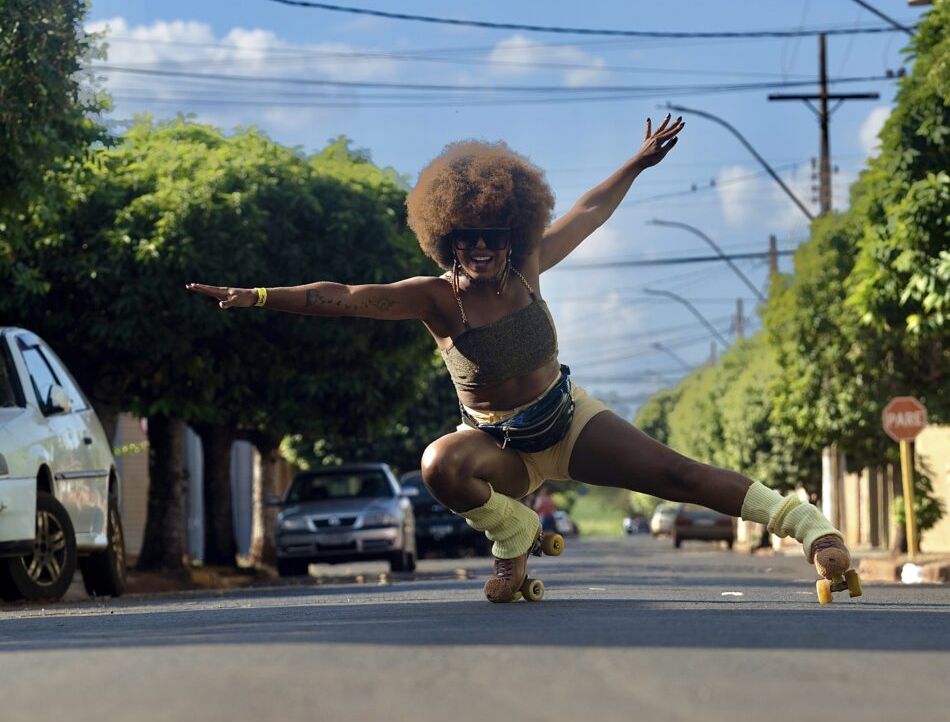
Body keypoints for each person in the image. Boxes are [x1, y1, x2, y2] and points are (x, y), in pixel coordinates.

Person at [187, 117, 851, 602]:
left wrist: (636, 162)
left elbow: (589, 210)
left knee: (677, 472)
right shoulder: (435, 300)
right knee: (437, 464)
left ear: (513, 235)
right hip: (498, 447)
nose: (478, 250)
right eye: (465, 240)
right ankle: (514, 534)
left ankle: (811, 528)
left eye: (491, 238)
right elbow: (346, 297)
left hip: (568, 423)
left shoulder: (531, 265)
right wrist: (259, 295)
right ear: (445, 238)